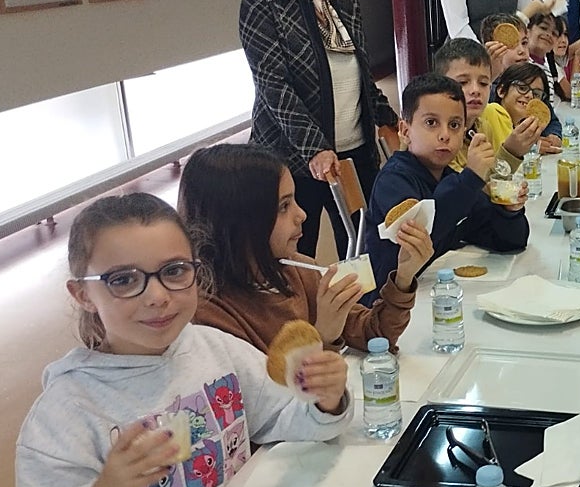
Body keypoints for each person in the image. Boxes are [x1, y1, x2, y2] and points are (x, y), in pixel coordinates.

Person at [15, 193, 352, 487]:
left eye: (174, 271)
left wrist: (325, 399)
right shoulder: (65, 417)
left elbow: (284, 419)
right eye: (124, 280)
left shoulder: (213, 349)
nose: (157, 296)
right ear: (83, 295)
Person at [239, 0, 396, 259]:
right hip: (293, 160)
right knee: (295, 261)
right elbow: (274, 88)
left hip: (353, 157)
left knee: (365, 253)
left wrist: (390, 118)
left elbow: (361, 77)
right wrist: (316, 148)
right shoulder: (260, 5)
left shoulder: (345, 1)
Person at [179, 144, 433, 353]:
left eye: (294, 201)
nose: (302, 215)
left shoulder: (298, 269)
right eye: (283, 207)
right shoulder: (207, 313)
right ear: (241, 222)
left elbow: (375, 335)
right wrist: (322, 335)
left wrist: (403, 277)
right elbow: (269, 402)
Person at [366, 74, 530, 285]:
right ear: (405, 131)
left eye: (454, 125)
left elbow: (509, 241)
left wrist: (509, 211)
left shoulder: (450, 177)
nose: (445, 135)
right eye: (431, 123)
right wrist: (471, 179)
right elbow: (418, 242)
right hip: (390, 303)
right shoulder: (393, 181)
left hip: (436, 290)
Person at [432, 38, 544, 167]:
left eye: (483, 83)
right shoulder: (439, 140)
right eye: (462, 82)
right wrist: (511, 152)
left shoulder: (483, 127)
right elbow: (473, 186)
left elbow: (497, 182)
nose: (475, 90)